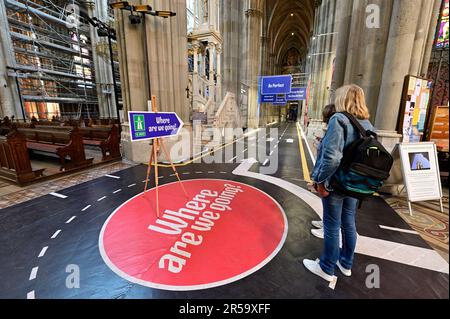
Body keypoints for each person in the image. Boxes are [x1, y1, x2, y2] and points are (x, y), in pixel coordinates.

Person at [303, 84, 374, 282]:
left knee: (332, 225)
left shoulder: (339, 119)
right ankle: (346, 263)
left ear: (343, 99)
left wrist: (319, 181)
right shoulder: (367, 123)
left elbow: (332, 158)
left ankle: (326, 267)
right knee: (349, 223)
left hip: (335, 182)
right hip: (355, 182)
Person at [308, 104, 336, 237]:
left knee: (332, 207)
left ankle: (327, 229)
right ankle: (325, 223)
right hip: (334, 176)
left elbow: (331, 158)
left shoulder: (336, 126)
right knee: (331, 208)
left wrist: (319, 179)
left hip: (331, 177)